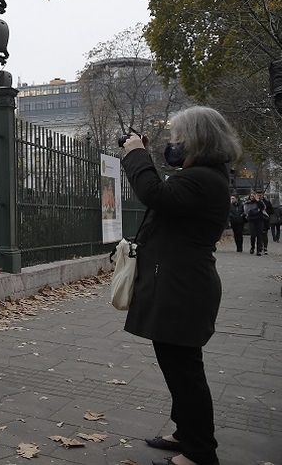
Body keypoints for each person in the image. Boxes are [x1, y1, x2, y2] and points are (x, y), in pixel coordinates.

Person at [120, 105, 241, 465]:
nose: (174, 145)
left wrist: (136, 154)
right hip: (181, 285)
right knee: (181, 367)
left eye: (179, 139)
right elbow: (165, 199)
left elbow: (153, 193)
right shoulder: (206, 176)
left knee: (185, 372)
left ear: (198, 141)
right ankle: (186, 433)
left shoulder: (203, 179)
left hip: (183, 289)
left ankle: (200, 453)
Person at [242, 189, 270, 255]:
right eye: (251, 196)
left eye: (253, 196)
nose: (252, 197)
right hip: (252, 220)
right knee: (253, 235)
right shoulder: (247, 203)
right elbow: (247, 211)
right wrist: (256, 211)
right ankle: (252, 247)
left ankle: (259, 249)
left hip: (259, 220)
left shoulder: (259, 202)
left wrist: (258, 201)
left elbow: (263, 208)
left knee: (259, 235)